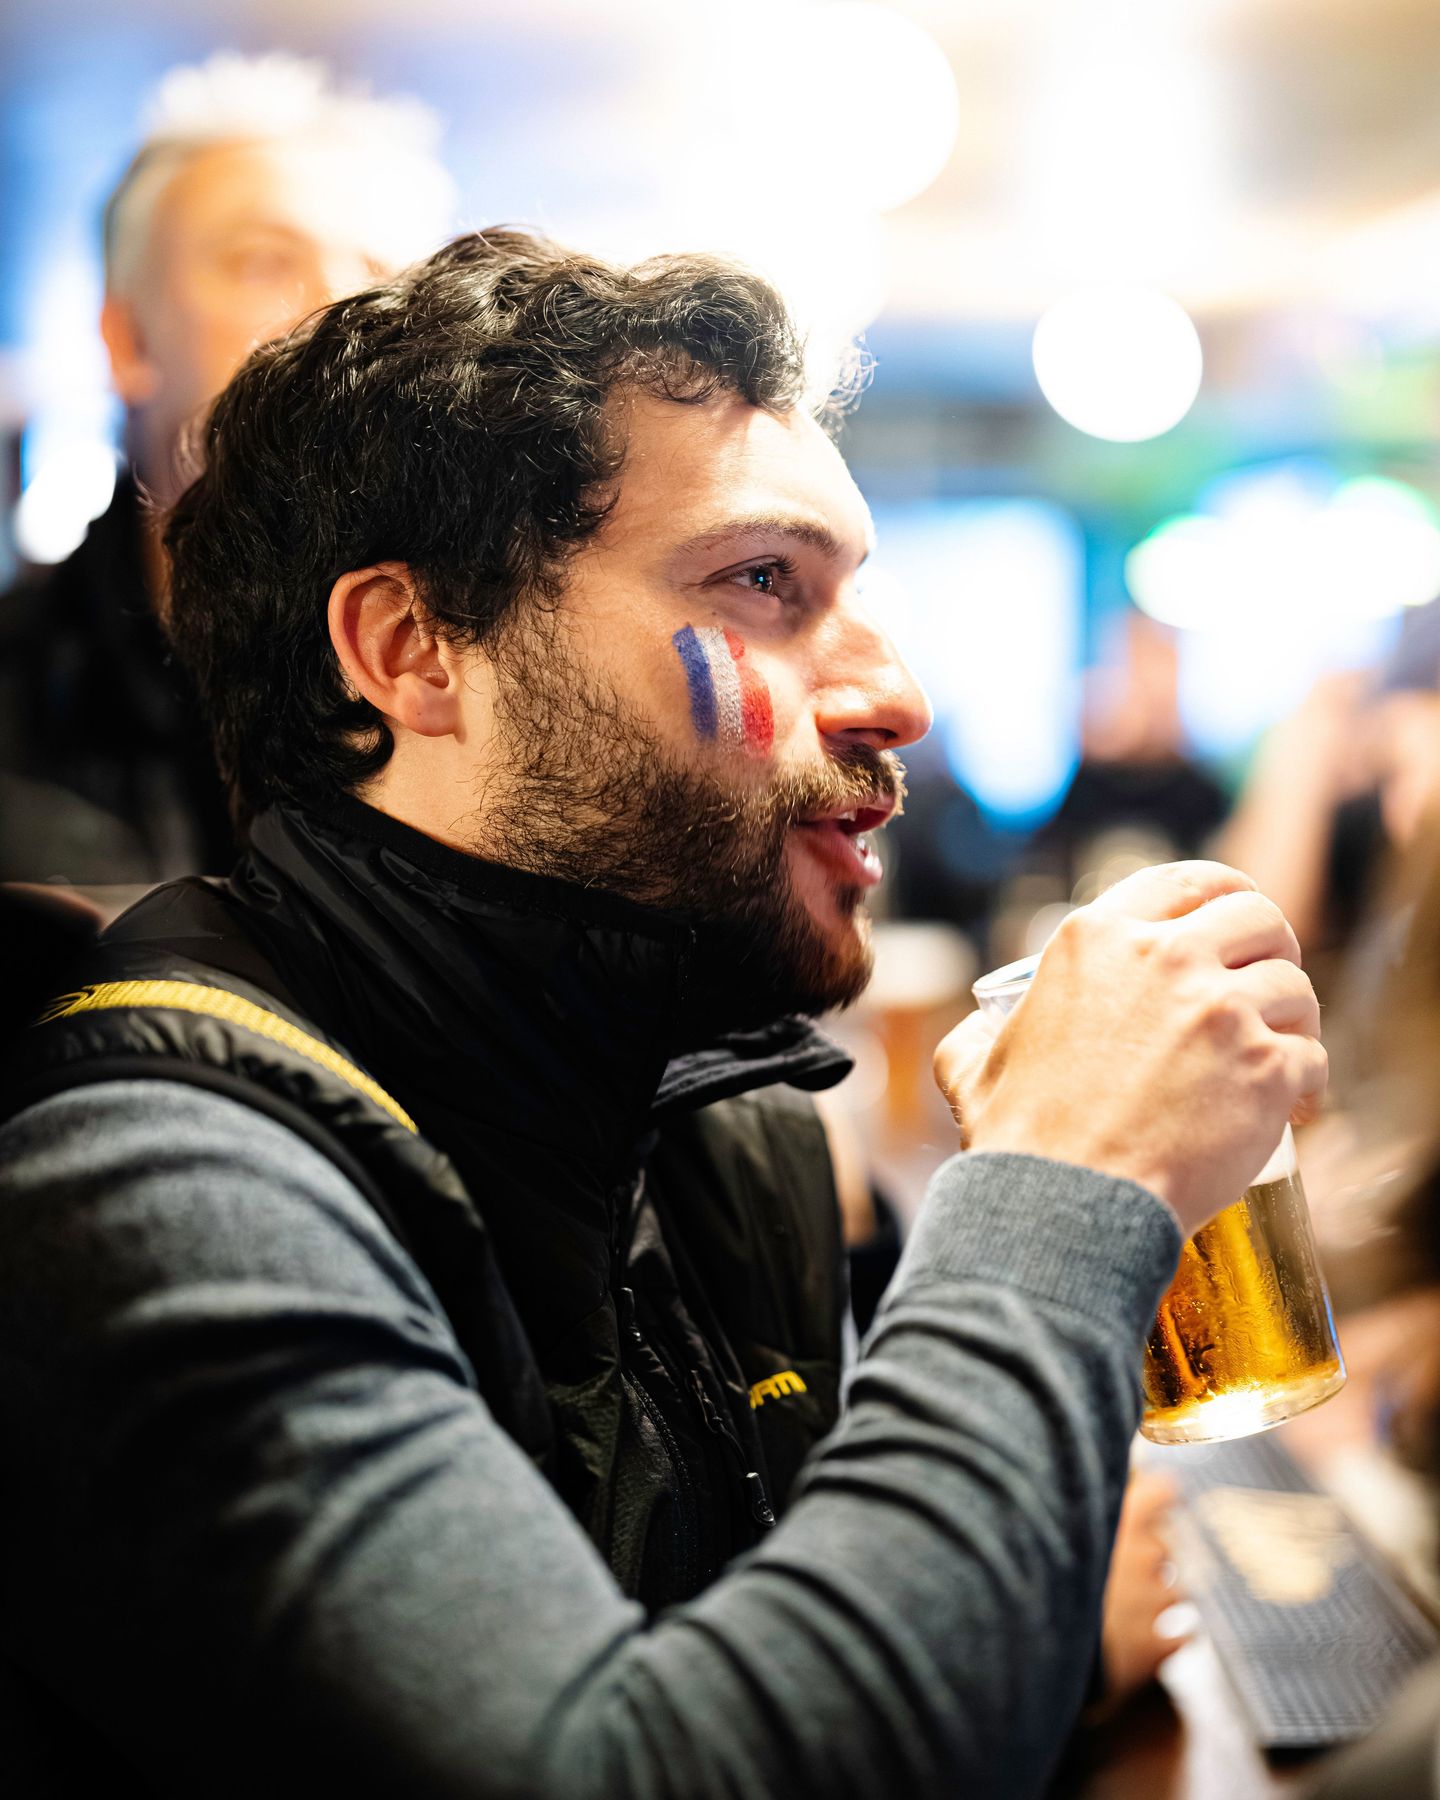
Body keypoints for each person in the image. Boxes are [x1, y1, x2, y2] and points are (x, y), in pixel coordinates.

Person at [0, 231, 1326, 1799]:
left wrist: (1001, 1657)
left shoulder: (729, 1138)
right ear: (414, 651)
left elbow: (823, 1675)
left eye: (857, 594)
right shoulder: (148, 1188)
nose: (895, 691)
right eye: (765, 583)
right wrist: (1058, 1185)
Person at [0, 52, 455, 884]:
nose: (339, 314)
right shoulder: (18, 706)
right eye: (265, 262)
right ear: (128, 339)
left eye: (382, 279)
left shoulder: (480, 700)